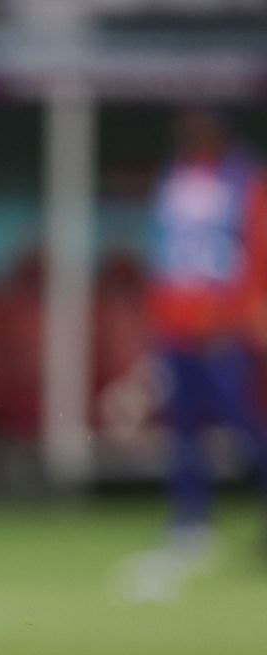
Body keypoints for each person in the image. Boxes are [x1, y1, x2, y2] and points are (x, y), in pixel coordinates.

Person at [127, 107, 267, 599]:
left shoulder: (244, 178)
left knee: (249, 429)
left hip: (222, 326)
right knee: (184, 432)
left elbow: (255, 251)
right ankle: (191, 521)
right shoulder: (176, 176)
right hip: (177, 325)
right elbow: (165, 251)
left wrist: (242, 312)